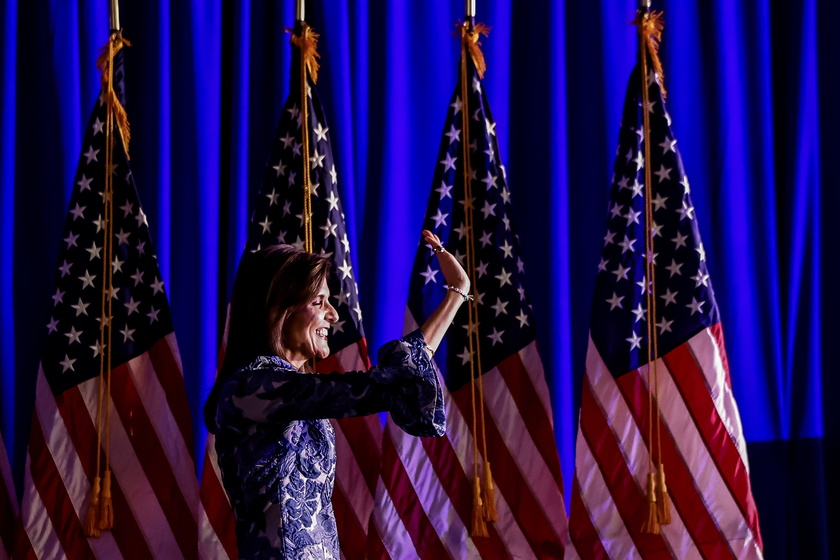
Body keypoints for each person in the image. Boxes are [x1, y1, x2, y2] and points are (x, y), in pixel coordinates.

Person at [204, 230, 469, 559]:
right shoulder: (250, 386)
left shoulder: (285, 387)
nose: (333, 314)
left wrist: (457, 296)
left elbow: (382, 385)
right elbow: (368, 389)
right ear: (277, 309)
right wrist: (454, 298)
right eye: (318, 302)